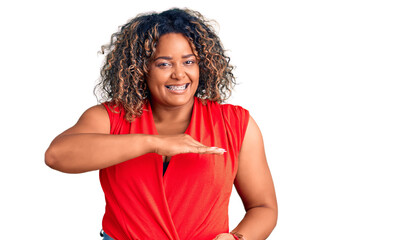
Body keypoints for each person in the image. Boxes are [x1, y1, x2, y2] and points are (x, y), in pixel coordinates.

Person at [45, 8, 277, 240]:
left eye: (189, 61)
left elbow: (263, 207)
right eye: (164, 64)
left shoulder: (235, 123)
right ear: (140, 69)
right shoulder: (110, 117)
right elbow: (56, 156)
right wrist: (154, 143)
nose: (179, 74)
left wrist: (237, 238)